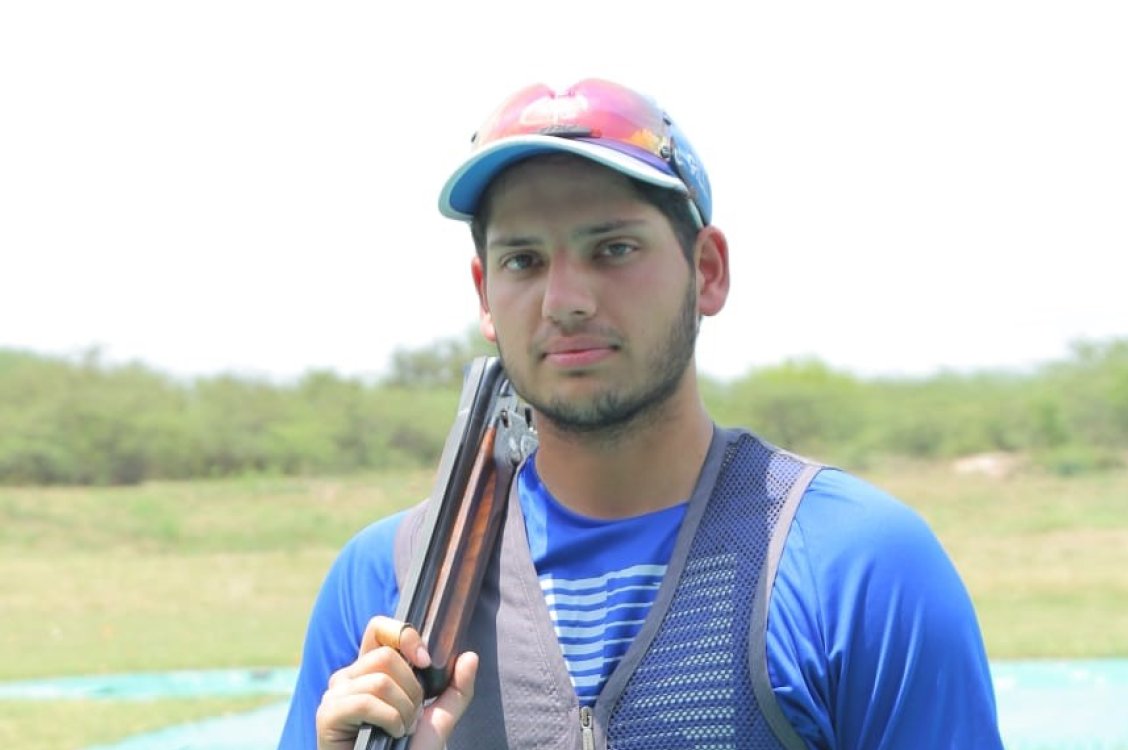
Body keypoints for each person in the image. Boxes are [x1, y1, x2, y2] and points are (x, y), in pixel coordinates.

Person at [279, 78, 1005, 749]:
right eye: (524, 261)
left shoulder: (856, 563)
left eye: (614, 248)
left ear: (708, 271)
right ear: (484, 296)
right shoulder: (388, 584)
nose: (566, 300)